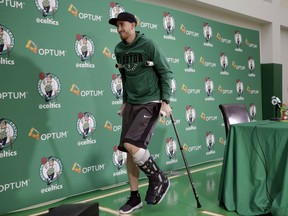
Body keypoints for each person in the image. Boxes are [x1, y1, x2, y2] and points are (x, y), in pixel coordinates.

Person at [109, 12, 174, 214]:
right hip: (132, 103)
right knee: (129, 150)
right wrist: (125, 102)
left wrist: (166, 101)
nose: (119, 29)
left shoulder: (148, 44)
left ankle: (158, 178)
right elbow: (125, 77)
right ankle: (135, 197)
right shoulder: (119, 49)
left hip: (151, 101)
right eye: (117, 26)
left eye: (122, 25)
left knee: (132, 144)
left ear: (133, 25)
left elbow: (165, 72)